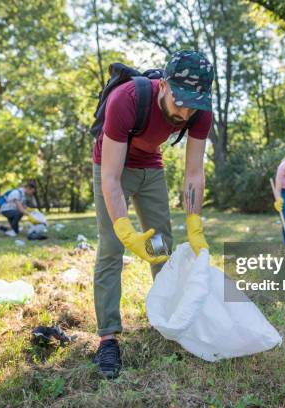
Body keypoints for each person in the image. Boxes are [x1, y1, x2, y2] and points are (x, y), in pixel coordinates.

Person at [91, 50, 214, 378]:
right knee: (111, 248)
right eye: (180, 101)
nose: (185, 112)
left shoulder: (201, 111)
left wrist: (194, 222)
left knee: (162, 245)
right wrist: (124, 228)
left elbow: (193, 174)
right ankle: (107, 338)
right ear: (163, 85)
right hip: (112, 165)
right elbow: (111, 177)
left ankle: (171, 318)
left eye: (194, 104)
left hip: (151, 166)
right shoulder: (126, 99)